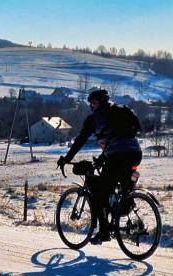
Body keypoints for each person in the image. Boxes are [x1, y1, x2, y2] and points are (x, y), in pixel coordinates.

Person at [57, 89, 142, 244]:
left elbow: (80, 140)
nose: (91, 106)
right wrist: (104, 157)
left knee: (101, 194)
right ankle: (124, 209)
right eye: (91, 104)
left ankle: (104, 232)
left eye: (93, 103)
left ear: (100, 102)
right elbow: (129, 132)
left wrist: (66, 159)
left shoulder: (94, 118)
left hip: (117, 157)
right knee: (121, 189)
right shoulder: (123, 110)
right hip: (135, 154)